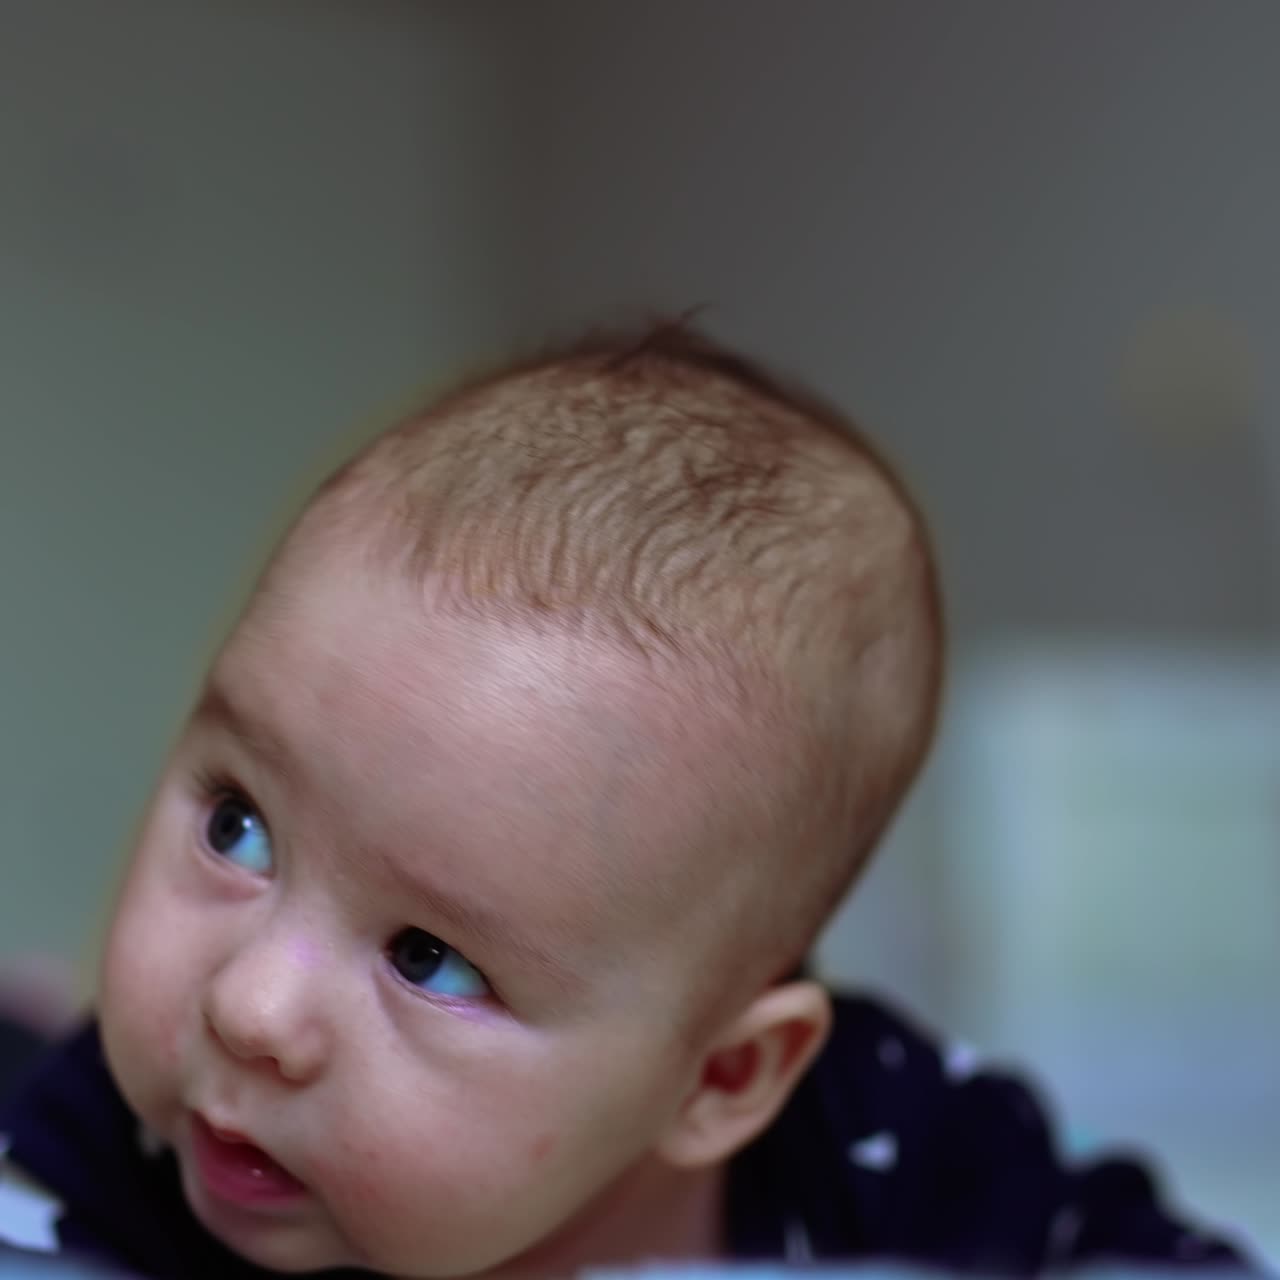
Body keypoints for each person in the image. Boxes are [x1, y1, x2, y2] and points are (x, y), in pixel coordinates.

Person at [0, 326, 1255, 1278]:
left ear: (720, 1075)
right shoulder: (112, 1151)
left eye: (429, 957)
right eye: (240, 825)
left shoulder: (892, 1144)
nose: (247, 1005)